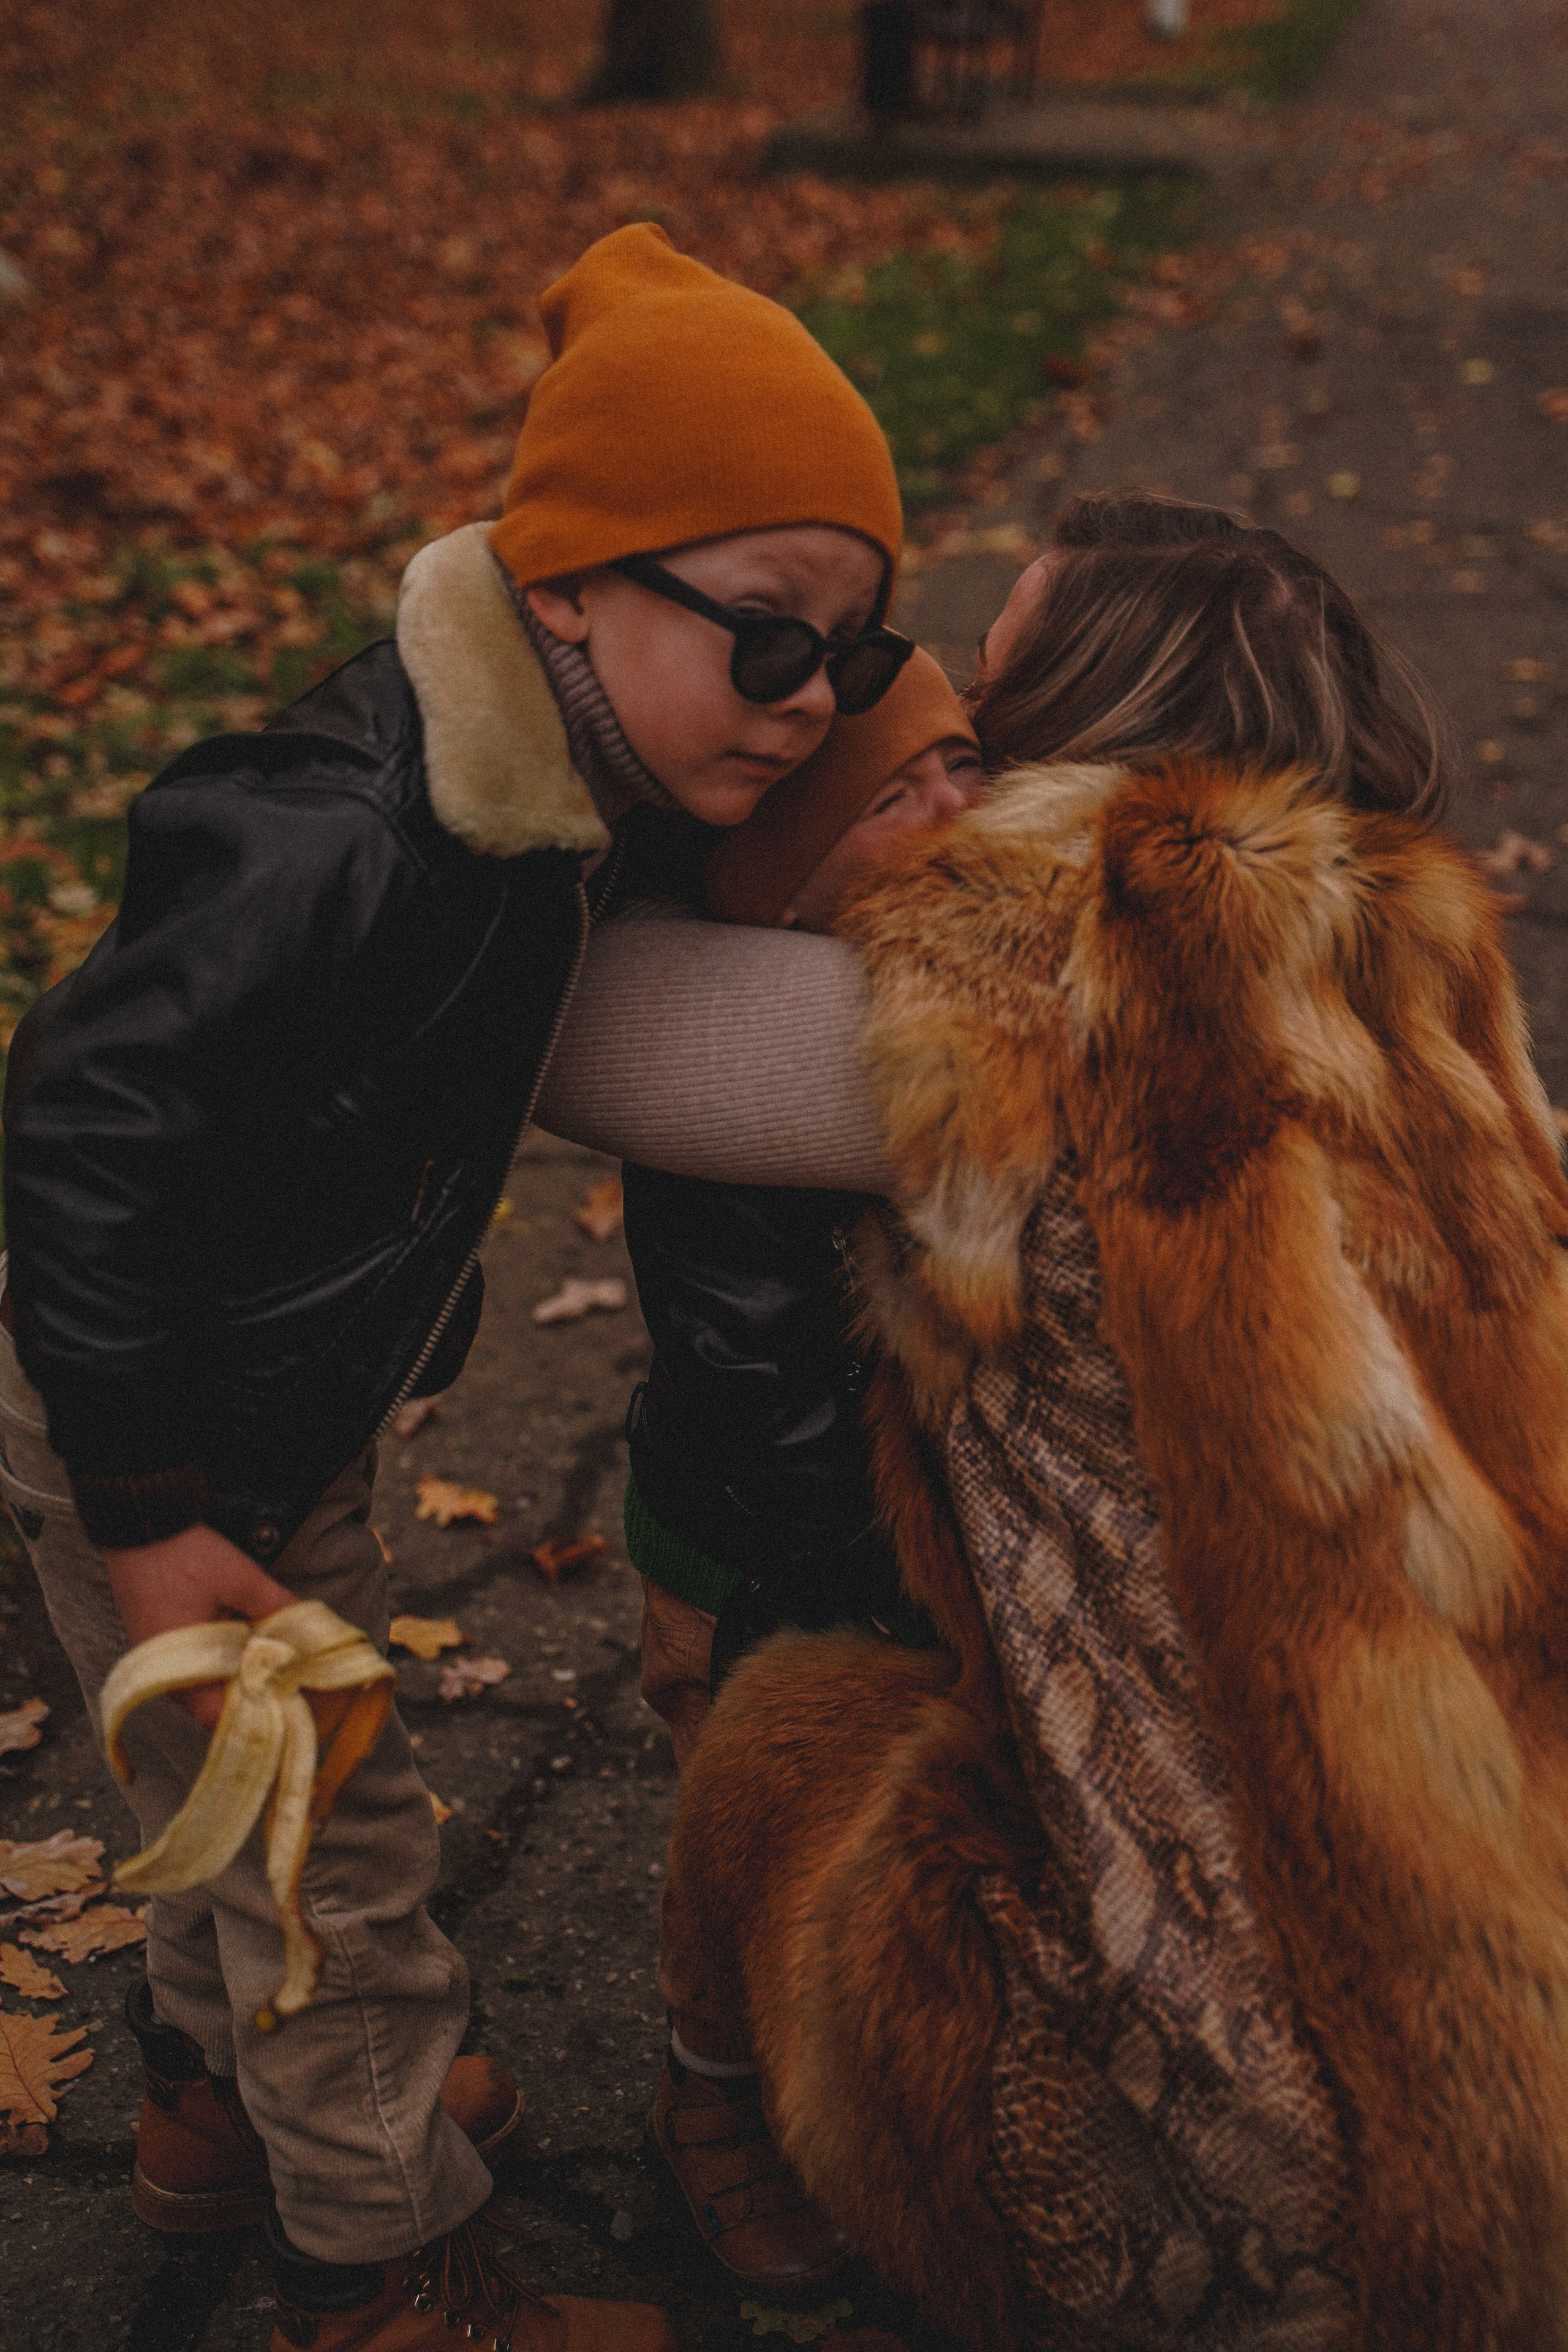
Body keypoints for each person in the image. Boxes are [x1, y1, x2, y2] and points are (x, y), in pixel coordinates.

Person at [0, 221, 909, 2352]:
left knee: (231, 1829)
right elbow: (74, 1129)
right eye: (774, 647)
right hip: (168, 1433)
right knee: (343, 1880)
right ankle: (390, 2265)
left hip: (261, 1407)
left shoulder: (553, 772)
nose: (812, 712)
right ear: (573, 585)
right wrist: (143, 1515)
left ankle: (209, 2119)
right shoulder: (357, 843)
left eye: (856, 666)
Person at [540, 496, 1568, 2346]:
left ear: (1088, 722)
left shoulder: (1007, 990)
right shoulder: (1436, 988)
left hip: (1213, 2177)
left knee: (785, 1715)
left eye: (987, 683)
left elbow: (542, 1024)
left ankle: (721, 2108)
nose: (934, 707)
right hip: (1521, 2061)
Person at [609, 651, 982, 2295]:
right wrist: (904, 1594)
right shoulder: (734, 1103)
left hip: (891, 1552)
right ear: (780, 890)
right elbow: (770, 1398)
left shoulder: (935, 987)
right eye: (894, 801)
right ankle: (712, 2112)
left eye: (964, 762)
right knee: (734, 1839)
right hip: (756, 1555)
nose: (958, 810)